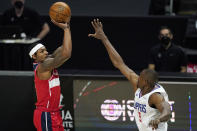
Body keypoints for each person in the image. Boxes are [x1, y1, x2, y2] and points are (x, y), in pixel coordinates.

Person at [88, 19, 171, 131]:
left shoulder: (156, 96)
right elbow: (119, 64)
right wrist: (104, 38)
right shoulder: (139, 85)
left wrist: (159, 119)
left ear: (146, 82)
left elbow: (167, 112)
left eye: (140, 77)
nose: (137, 77)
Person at [28, 19, 72, 131]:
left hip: (54, 113)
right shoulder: (43, 66)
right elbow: (66, 54)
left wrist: (67, 27)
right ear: (34, 56)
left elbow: (65, 47)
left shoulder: (48, 60)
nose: (46, 53)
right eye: (42, 52)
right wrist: (65, 29)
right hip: (45, 115)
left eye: (45, 50)